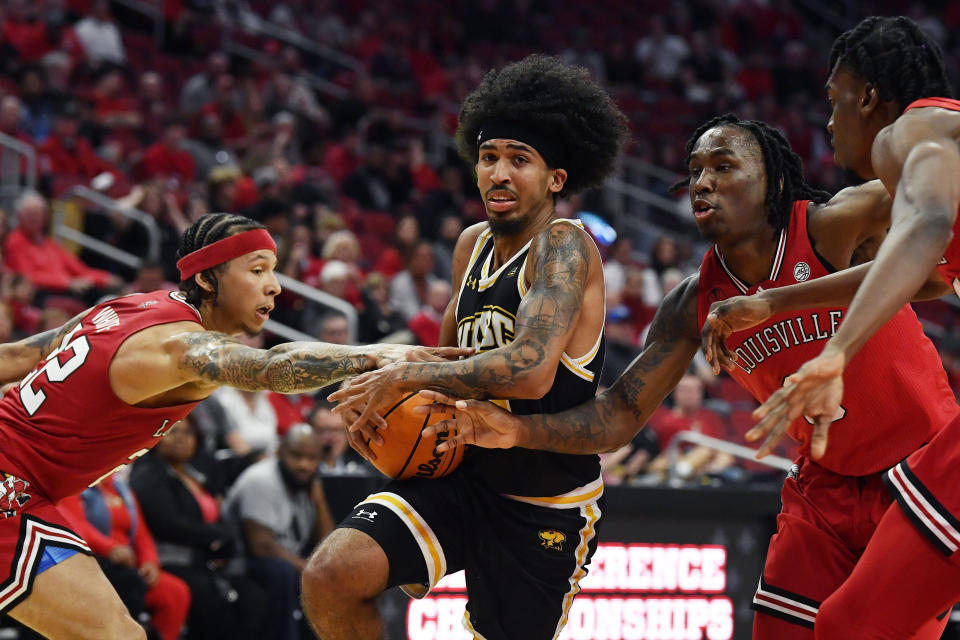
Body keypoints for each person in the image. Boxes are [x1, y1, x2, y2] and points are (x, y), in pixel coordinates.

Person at [415, 113, 960, 640]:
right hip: (824, 490)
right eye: (696, 171)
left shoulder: (834, 223)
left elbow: (934, 229)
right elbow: (618, 414)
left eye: (724, 167)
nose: (703, 182)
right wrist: (516, 431)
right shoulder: (691, 305)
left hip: (925, 471)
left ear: (770, 180)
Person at [0, 210, 463, 640]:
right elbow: (271, 368)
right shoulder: (180, 348)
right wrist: (374, 355)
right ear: (205, 277)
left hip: (27, 485)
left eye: (274, 269)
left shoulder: (126, 307)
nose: (275, 287)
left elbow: (18, 355)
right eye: (257, 270)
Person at [301, 55, 629, 640]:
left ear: (557, 177)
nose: (498, 174)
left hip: (542, 501)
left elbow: (528, 371)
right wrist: (391, 417)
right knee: (332, 575)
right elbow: (451, 368)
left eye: (518, 160)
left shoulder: (565, 249)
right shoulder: (471, 246)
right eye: (488, 157)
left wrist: (404, 376)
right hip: (462, 475)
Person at [735, 16, 960, 639]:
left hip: (922, 447)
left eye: (835, 101)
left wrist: (835, 353)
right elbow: (917, 276)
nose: (831, 123)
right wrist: (777, 302)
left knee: (851, 624)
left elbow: (926, 226)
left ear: (867, 97)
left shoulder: (907, 134)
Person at [131, 417, 265, 640]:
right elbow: (169, 525)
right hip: (169, 559)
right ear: (157, 438)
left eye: (188, 433)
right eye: (173, 433)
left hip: (203, 559)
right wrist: (218, 536)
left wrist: (223, 541)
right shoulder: (148, 475)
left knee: (253, 599)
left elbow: (218, 516)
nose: (181, 439)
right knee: (212, 601)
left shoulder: (196, 475)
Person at [223, 425, 333, 640]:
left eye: (312, 458)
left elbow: (328, 544)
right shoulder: (261, 479)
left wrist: (319, 503)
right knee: (283, 572)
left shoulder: (306, 483)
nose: (304, 465)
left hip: (284, 560)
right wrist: (308, 570)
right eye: (297, 456)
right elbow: (262, 547)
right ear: (280, 451)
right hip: (240, 562)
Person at [61, 476, 191, 640]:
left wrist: (149, 562)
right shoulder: (74, 485)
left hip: (128, 564)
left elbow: (141, 533)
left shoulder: (121, 489)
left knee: (175, 592)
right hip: (94, 562)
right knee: (129, 585)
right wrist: (109, 548)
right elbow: (73, 525)